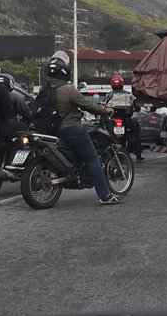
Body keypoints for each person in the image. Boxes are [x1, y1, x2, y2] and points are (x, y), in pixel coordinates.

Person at [45, 51, 120, 205]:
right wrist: (105, 110)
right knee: (92, 159)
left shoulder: (45, 89)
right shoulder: (67, 89)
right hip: (71, 130)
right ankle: (105, 195)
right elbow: (88, 105)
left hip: (51, 130)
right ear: (66, 70)